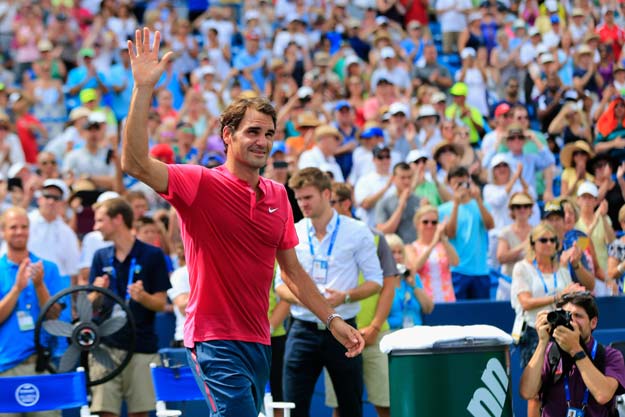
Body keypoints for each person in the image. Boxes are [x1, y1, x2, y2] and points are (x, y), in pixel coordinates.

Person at [121, 28, 363, 417]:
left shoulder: (279, 195)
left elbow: (294, 274)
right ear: (227, 136)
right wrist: (142, 89)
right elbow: (134, 163)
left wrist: (332, 320)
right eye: (253, 131)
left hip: (259, 338)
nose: (263, 141)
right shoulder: (199, 182)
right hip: (212, 339)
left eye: (269, 134)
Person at [275, 168, 382, 417]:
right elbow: (279, 285)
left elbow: (376, 281)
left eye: (308, 197)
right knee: (293, 407)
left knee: (350, 407)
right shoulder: (294, 231)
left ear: (326, 194)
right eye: (299, 198)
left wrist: (345, 296)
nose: (303, 204)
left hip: (343, 329)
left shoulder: (356, 231)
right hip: (302, 329)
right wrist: (312, 301)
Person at [88, 198, 171, 417]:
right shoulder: (100, 256)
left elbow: (161, 303)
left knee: (139, 413)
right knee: (105, 412)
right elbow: (88, 306)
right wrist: (96, 293)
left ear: (117, 220)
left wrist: (142, 297)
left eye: (100, 220)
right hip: (105, 346)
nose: (95, 227)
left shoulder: (152, 255)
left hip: (141, 345)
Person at [324, 182, 399, 417]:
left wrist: (375, 326)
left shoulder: (375, 237)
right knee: (341, 407)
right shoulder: (320, 237)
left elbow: (389, 286)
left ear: (346, 204)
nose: (328, 207)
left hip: (374, 334)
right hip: (340, 333)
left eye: (332, 202)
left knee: (386, 405)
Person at [0, 207, 65, 417]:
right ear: (3, 231)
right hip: (6, 368)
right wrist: (17, 288)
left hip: (42, 366)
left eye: (24, 227)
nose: (19, 232)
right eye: (13, 227)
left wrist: (39, 285)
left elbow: (54, 316)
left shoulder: (49, 268)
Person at [519, 292, 625, 417]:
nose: (571, 321)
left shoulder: (610, 355)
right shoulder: (550, 352)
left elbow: (603, 395)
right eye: (566, 315)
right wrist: (542, 342)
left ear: (593, 323)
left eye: (578, 316)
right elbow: (527, 392)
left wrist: (575, 349)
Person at [438, 166, 495, 300]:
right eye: (457, 183)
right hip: (457, 271)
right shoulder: (443, 210)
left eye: (464, 183)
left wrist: (479, 200)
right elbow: (450, 234)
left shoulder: (482, 205)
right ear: (450, 184)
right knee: (458, 318)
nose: (462, 187)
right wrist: (456, 204)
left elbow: (490, 225)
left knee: (482, 317)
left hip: (480, 270)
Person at [405, 205, 458, 303]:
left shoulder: (443, 246)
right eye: (425, 222)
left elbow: (456, 262)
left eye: (434, 222)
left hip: (447, 299)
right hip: (425, 302)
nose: (430, 225)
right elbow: (415, 266)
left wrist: (442, 238)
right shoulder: (411, 247)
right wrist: (434, 242)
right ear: (417, 224)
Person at [385, 233, 434, 330]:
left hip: (415, 333)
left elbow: (429, 308)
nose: (397, 256)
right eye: (393, 253)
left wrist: (413, 286)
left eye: (400, 252)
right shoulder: (382, 281)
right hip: (392, 334)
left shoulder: (412, 277)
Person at [375, 162, 422, 244]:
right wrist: (400, 206)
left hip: (415, 251)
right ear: (393, 179)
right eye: (402, 178)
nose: (407, 181)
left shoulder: (420, 201)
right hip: (395, 252)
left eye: (409, 177)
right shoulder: (384, 203)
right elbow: (382, 232)